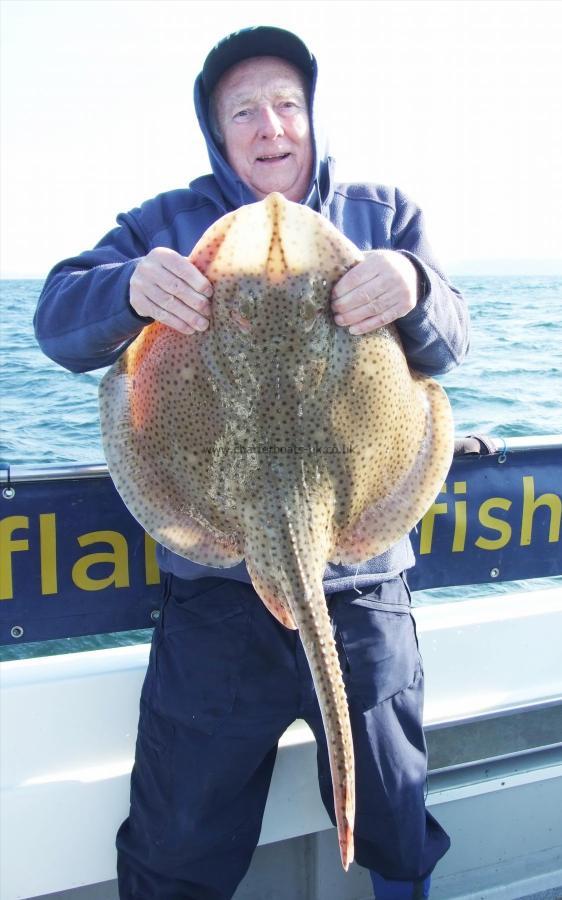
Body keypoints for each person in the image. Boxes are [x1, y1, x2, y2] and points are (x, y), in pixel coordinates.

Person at [34, 26, 469, 900]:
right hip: (214, 600)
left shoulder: (382, 216)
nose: (271, 126)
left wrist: (413, 288)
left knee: (394, 818)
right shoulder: (165, 224)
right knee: (177, 846)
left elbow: (453, 337)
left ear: (311, 117)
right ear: (218, 130)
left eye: (287, 105)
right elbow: (56, 320)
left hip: (364, 591)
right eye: (245, 110)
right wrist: (128, 289)